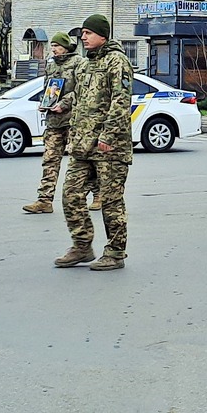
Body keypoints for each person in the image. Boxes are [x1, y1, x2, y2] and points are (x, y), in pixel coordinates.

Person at [58, 14, 132, 269]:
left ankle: (115, 252)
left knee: (111, 201)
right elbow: (79, 99)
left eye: (88, 33)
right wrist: (61, 106)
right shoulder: (84, 64)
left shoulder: (117, 61)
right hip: (82, 145)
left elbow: (121, 102)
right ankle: (82, 245)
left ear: (103, 35)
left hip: (109, 147)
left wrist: (108, 136)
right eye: (82, 33)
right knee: (70, 195)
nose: (83, 37)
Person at [23, 32, 78, 214]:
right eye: (52, 46)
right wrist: (45, 102)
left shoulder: (79, 64)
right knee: (50, 160)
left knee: (80, 161)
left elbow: (82, 91)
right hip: (54, 121)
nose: (53, 49)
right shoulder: (51, 65)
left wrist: (64, 103)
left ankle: (97, 194)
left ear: (66, 47)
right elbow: (48, 89)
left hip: (73, 120)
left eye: (57, 46)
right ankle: (44, 200)